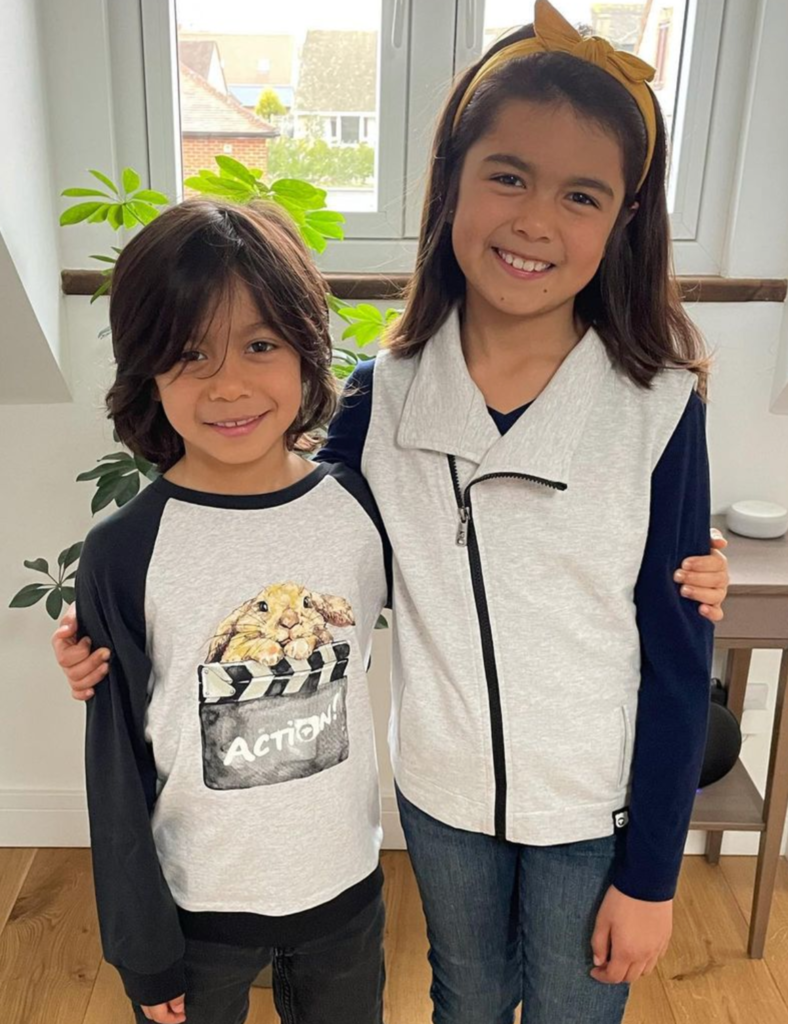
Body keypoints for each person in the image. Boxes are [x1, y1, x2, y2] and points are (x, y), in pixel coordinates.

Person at [55, 3, 731, 1022]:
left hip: (597, 807)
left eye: (580, 193)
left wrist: (652, 874)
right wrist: (102, 634)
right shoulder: (384, 395)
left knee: (572, 1006)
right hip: (440, 798)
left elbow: (677, 656)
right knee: (463, 996)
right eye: (505, 175)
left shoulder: (659, 406)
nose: (534, 220)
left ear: (625, 217)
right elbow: (278, 540)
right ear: (450, 179)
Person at [70, 199, 390, 1024]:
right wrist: (143, 952)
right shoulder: (122, 552)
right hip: (197, 913)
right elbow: (115, 767)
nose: (229, 385)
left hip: (344, 893)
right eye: (189, 355)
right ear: (146, 369)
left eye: (260, 345)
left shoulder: (361, 512)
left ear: (306, 349)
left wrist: (691, 566)